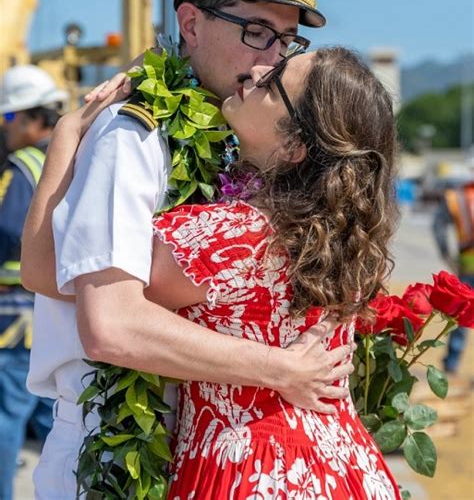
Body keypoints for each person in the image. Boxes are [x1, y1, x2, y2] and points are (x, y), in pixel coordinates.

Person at [22, 0, 354, 498]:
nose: (272, 58)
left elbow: (46, 269)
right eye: (256, 30)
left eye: (287, 40)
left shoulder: (233, 132)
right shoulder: (134, 134)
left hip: (199, 444)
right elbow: (111, 323)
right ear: (191, 23)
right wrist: (281, 369)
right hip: (115, 454)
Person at [27, 47, 401, 498]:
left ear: (294, 145)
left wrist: (69, 130)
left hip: (254, 468)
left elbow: (51, 273)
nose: (258, 68)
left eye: (276, 79)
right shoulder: (338, 238)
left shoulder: (231, 236)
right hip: (341, 464)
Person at [0, 64, 67, 500]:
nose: (4, 127)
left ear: (30, 118)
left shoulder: (23, 165)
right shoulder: (63, 160)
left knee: (6, 413)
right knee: (52, 409)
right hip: (53, 307)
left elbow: (8, 233)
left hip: (15, 308)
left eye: (8, 118)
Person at [432, 159, 474, 373]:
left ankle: (452, 363)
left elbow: (438, 227)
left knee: (462, 316)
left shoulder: (458, 197)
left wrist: (447, 255)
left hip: (467, 265)